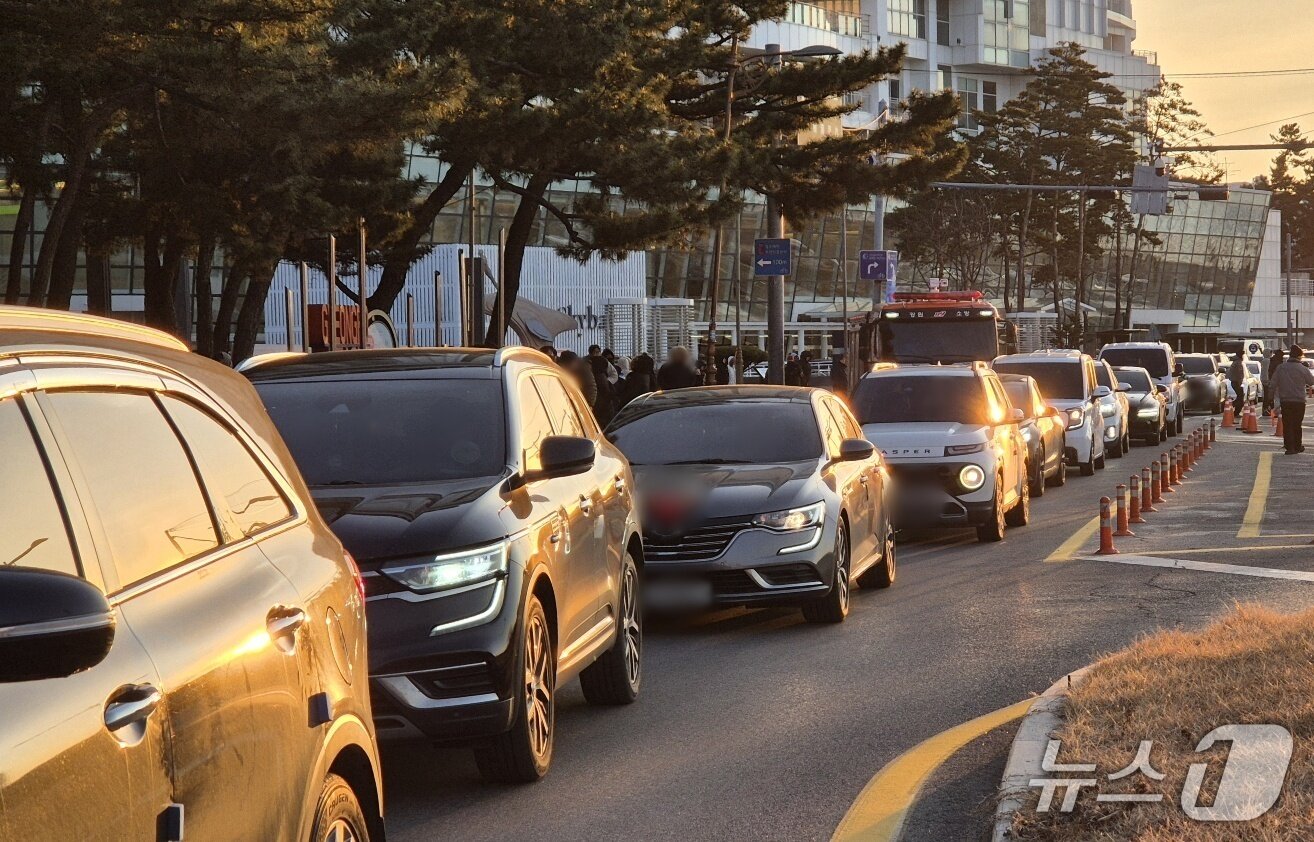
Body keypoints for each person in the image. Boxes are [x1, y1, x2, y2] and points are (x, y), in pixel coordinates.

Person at [1272, 346, 1314, 454]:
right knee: (1297, 424)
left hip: (1286, 401)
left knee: (1287, 424)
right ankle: (1297, 446)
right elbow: (1311, 381)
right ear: (1299, 356)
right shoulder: (1302, 368)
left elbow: (1273, 383)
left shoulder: (1281, 368)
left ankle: (1289, 447)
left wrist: (1270, 397)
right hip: (1299, 401)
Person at [1265, 348, 1286, 414]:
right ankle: (1277, 411)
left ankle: (1274, 410)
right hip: (1279, 382)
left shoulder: (1272, 361)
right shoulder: (1278, 363)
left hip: (1274, 381)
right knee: (1278, 397)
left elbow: (1270, 372)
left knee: (1275, 397)